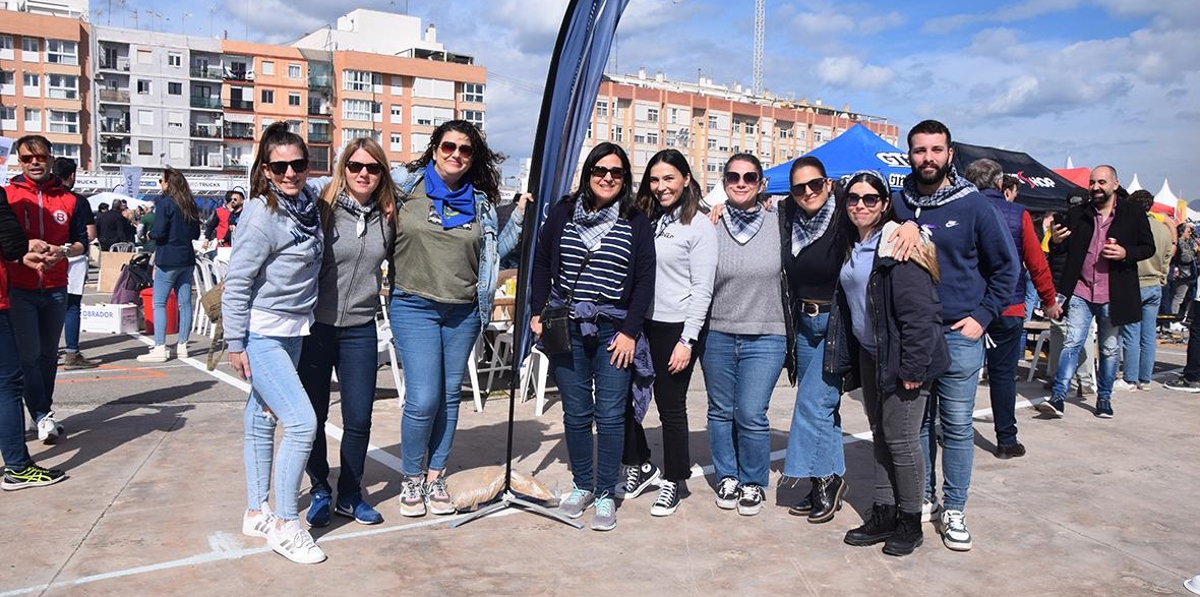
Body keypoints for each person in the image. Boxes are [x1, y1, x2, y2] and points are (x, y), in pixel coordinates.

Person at [890, 120, 1019, 552]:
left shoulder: (974, 205)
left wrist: (982, 316)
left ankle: (955, 506)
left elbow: (1007, 268)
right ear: (909, 154)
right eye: (920, 150)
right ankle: (924, 493)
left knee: (957, 426)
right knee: (918, 424)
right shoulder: (898, 202)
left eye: (936, 150)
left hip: (961, 333)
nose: (927, 158)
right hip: (915, 336)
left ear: (949, 154)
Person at [389, 120, 524, 519]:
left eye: (465, 150)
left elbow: (493, 252)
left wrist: (516, 219)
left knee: (450, 396)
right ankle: (411, 477)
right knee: (423, 397)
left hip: (463, 310)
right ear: (435, 150)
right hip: (413, 305)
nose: (456, 155)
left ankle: (435, 476)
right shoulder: (405, 189)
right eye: (449, 146)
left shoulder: (480, 203)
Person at [530, 142, 655, 531]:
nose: (607, 178)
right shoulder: (564, 213)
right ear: (588, 173)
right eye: (600, 170)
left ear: (625, 179)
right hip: (565, 324)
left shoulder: (635, 220)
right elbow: (541, 261)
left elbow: (644, 281)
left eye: (616, 173)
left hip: (613, 331)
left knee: (611, 414)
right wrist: (537, 311)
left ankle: (605, 492)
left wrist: (630, 332)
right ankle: (582, 485)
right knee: (577, 411)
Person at [222, 122, 326, 564]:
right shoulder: (261, 215)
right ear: (265, 170)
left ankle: (254, 511)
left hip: (294, 330)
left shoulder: (309, 202)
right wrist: (234, 342)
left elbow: (366, 171)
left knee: (263, 417)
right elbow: (237, 283)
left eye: (297, 164)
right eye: (279, 166)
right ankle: (286, 524)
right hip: (262, 333)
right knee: (302, 423)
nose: (290, 174)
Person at [829, 170, 947, 557]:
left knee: (902, 441)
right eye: (853, 198)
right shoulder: (852, 242)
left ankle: (910, 522)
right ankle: (884, 512)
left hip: (904, 357)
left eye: (869, 199)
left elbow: (920, 314)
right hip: (870, 353)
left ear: (884, 203)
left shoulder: (897, 243)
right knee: (880, 434)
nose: (859, 205)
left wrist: (913, 368)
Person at [298, 137, 396, 528]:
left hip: (360, 329)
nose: (363, 174)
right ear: (344, 169)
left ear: (381, 173)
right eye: (355, 167)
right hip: (316, 327)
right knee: (313, 415)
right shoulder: (321, 209)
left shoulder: (390, 216)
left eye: (372, 168)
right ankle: (320, 487)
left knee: (359, 418)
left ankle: (351, 495)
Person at [619, 149, 716, 517]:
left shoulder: (700, 226)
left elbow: (702, 288)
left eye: (669, 178)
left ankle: (675, 481)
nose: (661, 187)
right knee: (622, 399)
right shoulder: (644, 218)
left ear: (686, 179)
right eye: (655, 180)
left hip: (675, 327)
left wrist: (687, 340)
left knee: (670, 406)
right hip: (637, 323)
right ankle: (640, 464)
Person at [701, 153, 794, 517]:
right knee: (720, 411)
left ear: (761, 184)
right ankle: (727, 475)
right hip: (718, 333)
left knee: (751, 412)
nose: (741, 183)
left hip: (767, 333)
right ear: (724, 183)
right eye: (734, 177)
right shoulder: (710, 224)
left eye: (750, 177)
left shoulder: (779, 221)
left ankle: (753, 481)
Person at [1038, 165, 1154, 420]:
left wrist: (1126, 253)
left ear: (1115, 184)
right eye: (1092, 182)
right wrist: (1056, 241)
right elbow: (1062, 250)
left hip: (1114, 292)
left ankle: (1104, 398)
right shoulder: (1079, 213)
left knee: (1110, 348)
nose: (1095, 187)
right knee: (1072, 342)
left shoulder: (1132, 213)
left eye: (1101, 182)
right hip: (1080, 290)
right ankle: (1058, 397)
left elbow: (1148, 247)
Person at [963, 158, 1059, 460]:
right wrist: (1049, 300)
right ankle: (1006, 439)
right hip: (1009, 305)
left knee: (958, 375)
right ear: (999, 184)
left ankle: (953, 431)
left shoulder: (960, 212)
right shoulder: (1019, 214)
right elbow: (1036, 263)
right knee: (1003, 375)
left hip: (966, 307)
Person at [4, 135, 89, 446]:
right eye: (27, 158)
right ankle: (41, 414)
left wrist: (63, 250)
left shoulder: (70, 200)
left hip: (55, 287)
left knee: (47, 356)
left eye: (40, 156)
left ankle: (43, 411)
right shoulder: (9, 196)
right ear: (19, 161)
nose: (35, 162)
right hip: (20, 288)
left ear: (52, 158)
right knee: (27, 356)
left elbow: (82, 242)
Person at [0, 185, 67, 490]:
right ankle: (17, 466)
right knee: (8, 383)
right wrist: (23, 249)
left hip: (44, 288)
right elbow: (12, 242)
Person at [136, 167, 201, 363]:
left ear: (168, 183)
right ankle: (182, 345)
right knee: (185, 303)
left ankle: (160, 346)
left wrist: (150, 235)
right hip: (186, 257)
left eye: (161, 181)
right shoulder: (189, 204)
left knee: (159, 302)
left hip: (168, 257)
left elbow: (159, 231)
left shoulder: (164, 203)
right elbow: (196, 233)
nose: (160, 184)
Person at [1116, 190, 1172, 391]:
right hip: (1155, 283)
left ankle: (1130, 378)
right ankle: (1145, 379)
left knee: (1131, 332)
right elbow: (1167, 258)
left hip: (1135, 283)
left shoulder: (1132, 226)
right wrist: (1162, 277)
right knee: (1148, 334)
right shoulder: (1164, 229)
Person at [52, 157, 100, 370]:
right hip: (74, 255)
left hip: (47, 255)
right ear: (72, 175)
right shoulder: (79, 200)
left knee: (47, 305)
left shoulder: (45, 197)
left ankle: (49, 351)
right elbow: (90, 233)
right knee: (71, 306)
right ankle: (72, 352)